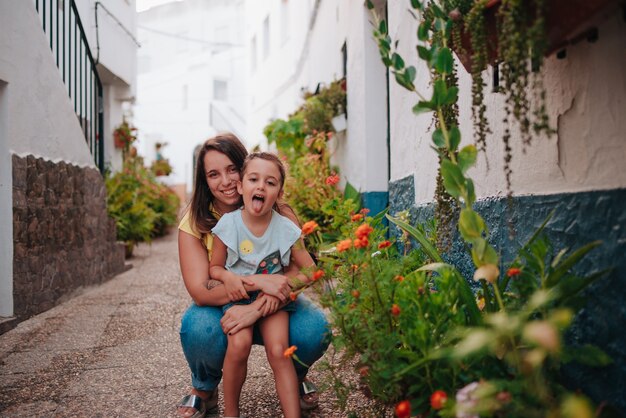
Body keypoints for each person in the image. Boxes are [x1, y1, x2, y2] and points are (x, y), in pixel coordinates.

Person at [177, 133, 329, 418]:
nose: (225, 181)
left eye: (231, 169)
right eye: (213, 174)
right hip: (228, 300)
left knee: (304, 335)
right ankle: (206, 389)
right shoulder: (218, 224)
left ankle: (296, 383)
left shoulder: (281, 217)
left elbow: (305, 268)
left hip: (277, 302)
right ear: (205, 181)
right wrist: (260, 283)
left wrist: (266, 301)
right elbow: (204, 285)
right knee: (205, 330)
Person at [211, 152, 314, 418]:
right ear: (240, 186)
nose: (260, 187)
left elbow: (311, 270)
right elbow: (215, 268)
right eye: (253, 179)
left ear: (278, 192)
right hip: (238, 298)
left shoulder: (286, 229)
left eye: (270, 182)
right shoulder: (228, 225)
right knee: (238, 345)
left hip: (272, 302)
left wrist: (284, 288)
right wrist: (228, 278)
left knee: (280, 352)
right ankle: (230, 413)